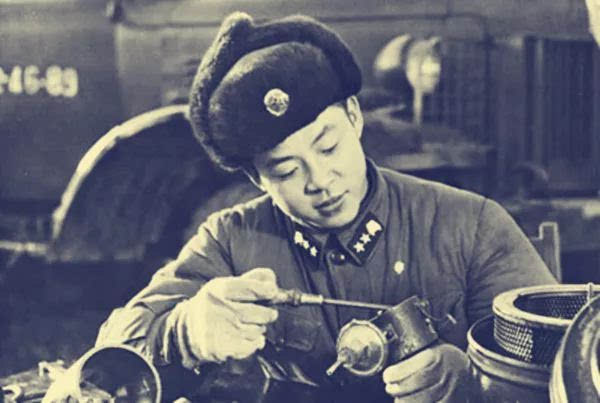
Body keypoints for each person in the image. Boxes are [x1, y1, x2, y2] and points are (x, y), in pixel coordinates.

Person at [95, 12, 557, 402]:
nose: (319, 180)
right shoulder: (231, 242)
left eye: (329, 147)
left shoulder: (468, 225)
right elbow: (105, 362)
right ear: (256, 179)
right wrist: (184, 333)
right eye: (286, 170)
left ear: (354, 117)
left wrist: (473, 380)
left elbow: (565, 359)